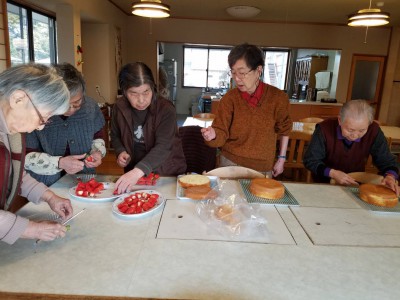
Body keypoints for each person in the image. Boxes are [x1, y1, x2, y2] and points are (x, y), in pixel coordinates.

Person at [0, 63, 73, 245]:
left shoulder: (10, 130)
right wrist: (31, 228)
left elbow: (14, 173)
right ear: (18, 99)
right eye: (43, 117)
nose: (40, 126)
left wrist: (49, 196)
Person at [201, 43, 292, 177]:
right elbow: (221, 131)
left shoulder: (278, 98)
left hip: (262, 166)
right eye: (233, 73)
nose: (237, 79)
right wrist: (213, 134)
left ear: (258, 70)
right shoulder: (229, 99)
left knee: (258, 198)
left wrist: (281, 159)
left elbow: (285, 129)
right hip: (229, 162)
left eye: (242, 73)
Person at [25, 63, 106, 186]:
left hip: (84, 178)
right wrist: (59, 163)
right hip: (45, 184)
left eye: (77, 102)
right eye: (64, 103)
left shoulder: (90, 107)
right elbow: (26, 157)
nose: (71, 109)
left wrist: (97, 152)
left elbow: (98, 135)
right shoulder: (39, 112)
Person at [111, 62, 186, 193]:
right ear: (124, 91)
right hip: (134, 170)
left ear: (152, 87)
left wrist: (137, 172)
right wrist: (120, 151)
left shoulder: (165, 109)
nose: (141, 100)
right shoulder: (119, 107)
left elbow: (163, 146)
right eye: (133, 93)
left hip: (165, 171)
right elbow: (115, 134)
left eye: (146, 92)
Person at [304, 100, 399, 195]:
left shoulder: (373, 131)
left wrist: (390, 176)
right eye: (350, 130)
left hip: (355, 185)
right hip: (323, 184)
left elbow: (387, 161)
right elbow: (310, 160)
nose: (355, 135)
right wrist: (333, 173)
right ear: (340, 120)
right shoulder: (324, 129)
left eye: (362, 130)